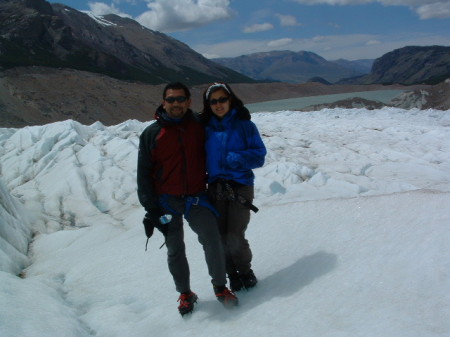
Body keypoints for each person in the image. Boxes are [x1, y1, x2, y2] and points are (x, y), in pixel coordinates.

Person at [137, 82, 238, 316]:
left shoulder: (199, 126)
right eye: (171, 99)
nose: (176, 103)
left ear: (188, 102)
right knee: (175, 249)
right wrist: (150, 208)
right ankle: (185, 293)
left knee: (212, 240)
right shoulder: (152, 134)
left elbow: (223, 133)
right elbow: (143, 173)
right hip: (166, 201)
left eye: (180, 99)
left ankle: (220, 287)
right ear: (163, 102)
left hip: (196, 197)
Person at [201, 82, 266, 292]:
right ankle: (232, 276)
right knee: (219, 236)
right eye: (214, 101)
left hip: (240, 187)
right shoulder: (204, 128)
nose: (218, 104)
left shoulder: (245, 126)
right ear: (208, 104)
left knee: (235, 234)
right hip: (215, 188)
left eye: (222, 99)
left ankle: (245, 271)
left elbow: (259, 156)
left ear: (230, 100)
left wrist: (237, 158)